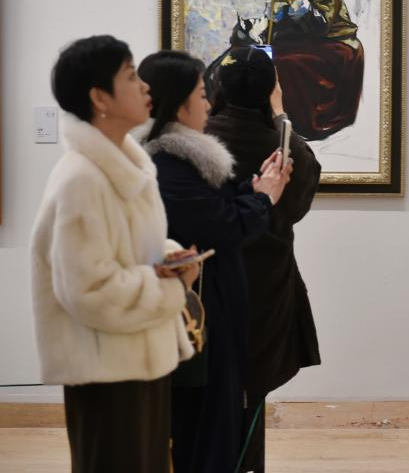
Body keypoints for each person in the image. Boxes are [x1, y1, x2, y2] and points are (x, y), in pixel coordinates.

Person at [31, 35, 199, 473]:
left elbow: (129, 250)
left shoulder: (125, 167)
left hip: (136, 360)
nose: (145, 86)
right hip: (107, 372)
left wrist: (170, 256)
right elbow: (89, 290)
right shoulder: (82, 180)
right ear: (100, 98)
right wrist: (172, 288)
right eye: (130, 76)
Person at [137, 50, 291, 473]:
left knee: (215, 423)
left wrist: (253, 190)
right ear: (178, 104)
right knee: (205, 430)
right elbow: (222, 225)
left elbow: (213, 208)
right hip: (202, 317)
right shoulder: (168, 164)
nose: (208, 103)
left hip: (215, 309)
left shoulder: (180, 158)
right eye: (201, 95)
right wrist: (263, 198)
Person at [205, 46, 323, 472]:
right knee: (251, 391)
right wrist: (281, 114)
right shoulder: (285, 147)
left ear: (218, 86)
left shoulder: (199, 141)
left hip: (208, 283)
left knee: (207, 392)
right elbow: (298, 204)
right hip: (267, 286)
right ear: (272, 89)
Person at [264, 0, 365, 140]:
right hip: (306, 42)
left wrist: (297, 1)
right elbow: (281, 29)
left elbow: (321, 26)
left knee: (289, 63)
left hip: (335, 42)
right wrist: (275, 13)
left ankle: (304, 123)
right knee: (267, 57)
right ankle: (274, 118)